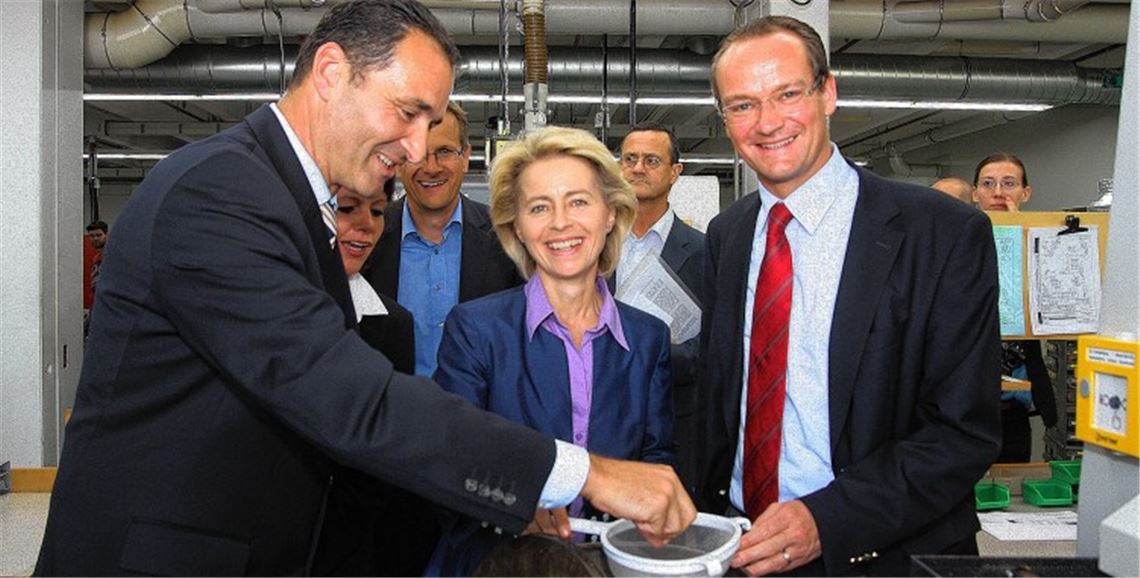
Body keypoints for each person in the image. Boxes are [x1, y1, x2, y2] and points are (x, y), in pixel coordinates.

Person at [34, 2, 694, 575]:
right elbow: (355, 402)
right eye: (409, 113)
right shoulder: (222, 194)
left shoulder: (285, 200)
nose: (415, 151)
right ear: (330, 73)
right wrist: (591, 473)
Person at [697, 16, 1001, 576]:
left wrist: (829, 519)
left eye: (787, 94)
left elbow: (962, 430)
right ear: (724, 119)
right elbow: (719, 401)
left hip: (877, 552)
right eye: (742, 105)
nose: (767, 122)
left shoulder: (943, 233)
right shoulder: (729, 235)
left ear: (828, 92)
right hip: (741, 546)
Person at [425, 126, 676, 576]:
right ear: (517, 227)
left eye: (578, 201)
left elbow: (655, 460)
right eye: (540, 207)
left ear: (610, 214)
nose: (560, 223)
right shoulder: (477, 330)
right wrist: (516, 502)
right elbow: (450, 458)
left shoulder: (647, 338)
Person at [368, 101, 522, 377]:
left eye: (445, 152)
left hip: (479, 414)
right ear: (400, 163)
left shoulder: (508, 240)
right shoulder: (366, 237)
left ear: (465, 158)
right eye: (417, 155)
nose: (431, 167)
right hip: (390, 410)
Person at [615, 121, 705, 492]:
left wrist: (647, 351)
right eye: (630, 159)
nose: (638, 168)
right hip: (604, 414)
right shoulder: (592, 244)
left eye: (651, 160)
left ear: (675, 172)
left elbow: (712, 345)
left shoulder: (704, 251)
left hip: (675, 417)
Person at [973, 152, 1058, 462]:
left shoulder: (1043, 248)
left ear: (1025, 193)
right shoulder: (958, 244)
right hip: (961, 402)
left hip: (1014, 406)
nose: (998, 192)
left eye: (1008, 184)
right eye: (988, 184)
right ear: (975, 194)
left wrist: (1014, 228)